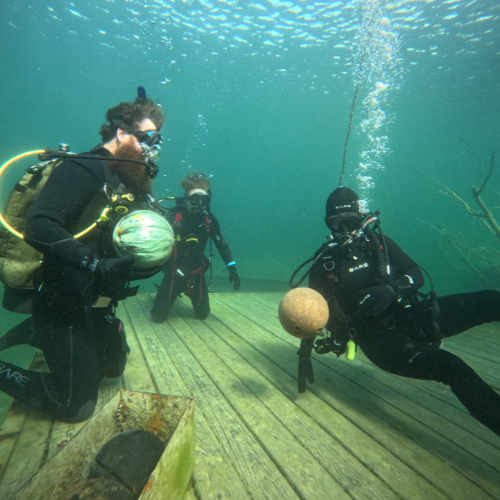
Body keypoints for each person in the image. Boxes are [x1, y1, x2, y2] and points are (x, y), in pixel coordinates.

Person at [0, 91, 165, 422]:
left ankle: (33, 332)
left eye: (158, 140)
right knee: (76, 405)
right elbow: (39, 225)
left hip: (98, 301)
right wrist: (95, 265)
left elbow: (120, 239)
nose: (153, 147)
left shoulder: (126, 180)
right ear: (121, 133)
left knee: (113, 370)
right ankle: (39, 330)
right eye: (148, 137)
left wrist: (149, 260)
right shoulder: (83, 169)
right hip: (64, 303)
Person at [297, 186, 500, 436]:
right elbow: (311, 312)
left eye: (349, 222)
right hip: (378, 340)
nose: (343, 231)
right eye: (335, 224)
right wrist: (304, 356)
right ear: (328, 225)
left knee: (491, 300)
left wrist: (392, 290)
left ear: (360, 219)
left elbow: (417, 275)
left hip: (415, 315)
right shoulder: (325, 263)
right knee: (453, 368)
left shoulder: (378, 243)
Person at [151, 172, 239, 323]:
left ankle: (180, 291)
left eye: (203, 200)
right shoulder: (174, 215)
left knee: (203, 314)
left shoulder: (209, 220)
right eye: (195, 199)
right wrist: (176, 227)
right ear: (186, 199)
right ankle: (167, 291)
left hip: (196, 272)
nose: (199, 204)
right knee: (157, 316)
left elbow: (221, 245)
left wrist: (233, 268)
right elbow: (158, 241)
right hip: (174, 271)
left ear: (207, 200)